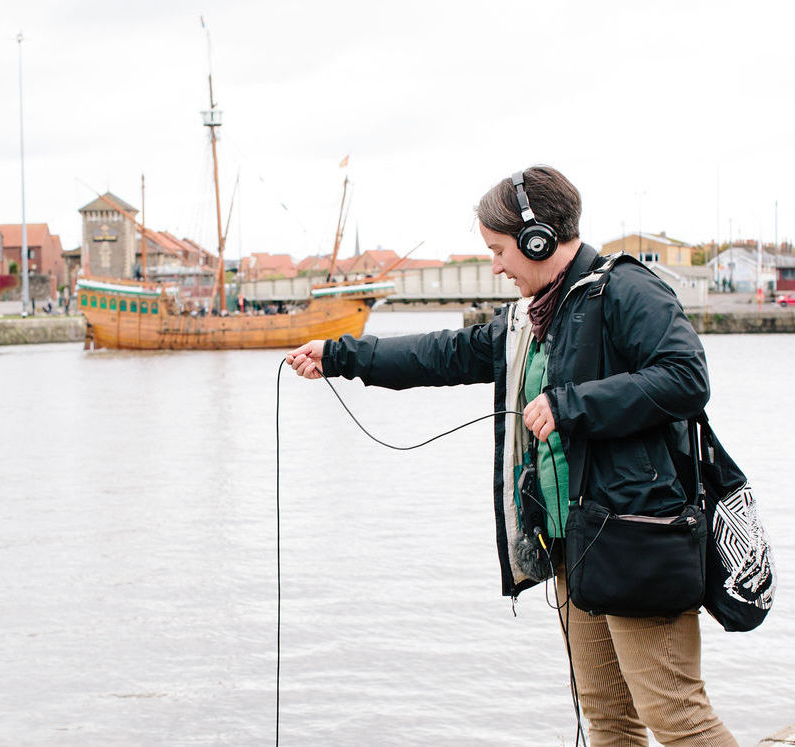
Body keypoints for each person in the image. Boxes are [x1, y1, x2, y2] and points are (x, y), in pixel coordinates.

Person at [286, 166, 736, 746]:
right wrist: (340, 355)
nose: (496, 265)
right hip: (575, 545)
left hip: (637, 539)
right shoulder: (532, 316)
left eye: (499, 250)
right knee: (609, 721)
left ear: (538, 240)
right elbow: (442, 354)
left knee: (678, 718)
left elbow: (685, 377)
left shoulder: (626, 290)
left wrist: (571, 404)